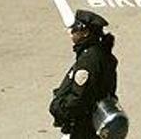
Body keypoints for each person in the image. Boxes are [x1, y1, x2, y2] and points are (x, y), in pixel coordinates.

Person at [50, 10, 118, 139]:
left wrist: (60, 110)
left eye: (75, 30)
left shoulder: (88, 61)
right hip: (97, 121)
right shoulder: (103, 54)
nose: (71, 33)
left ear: (85, 33)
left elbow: (79, 97)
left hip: (85, 126)